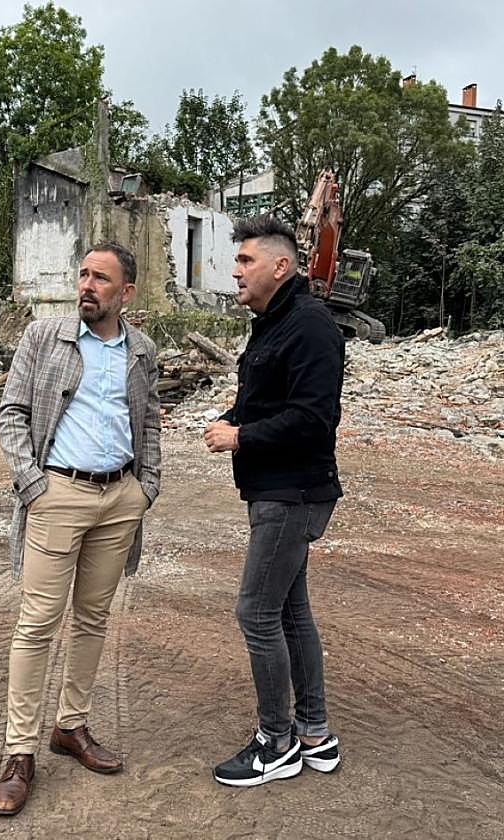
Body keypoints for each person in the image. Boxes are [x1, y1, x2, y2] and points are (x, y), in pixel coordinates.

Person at [0, 242, 161, 816]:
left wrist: (146, 487)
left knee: (92, 617)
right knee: (37, 623)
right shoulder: (44, 337)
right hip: (58, 493)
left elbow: (149, 421)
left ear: (126, 292)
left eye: (101, 278)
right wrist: (31, 483)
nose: (87, 285)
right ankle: (19, 752)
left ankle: (71, 726)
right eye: (83, 274)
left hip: (120, 498)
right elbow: (11, 412)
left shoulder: (141, 349)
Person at [204, 215, 344, 787]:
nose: (235, 271)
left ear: (280, 266)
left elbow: (313, 418)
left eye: (246, 260)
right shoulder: (273, 323)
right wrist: (231, 418)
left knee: (256, 611)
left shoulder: (309, 325)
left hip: (292, 493)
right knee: (289, 610)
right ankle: (314, 733)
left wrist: (240, 436)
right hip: (275, 489)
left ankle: (275, 742)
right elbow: (266, 401)